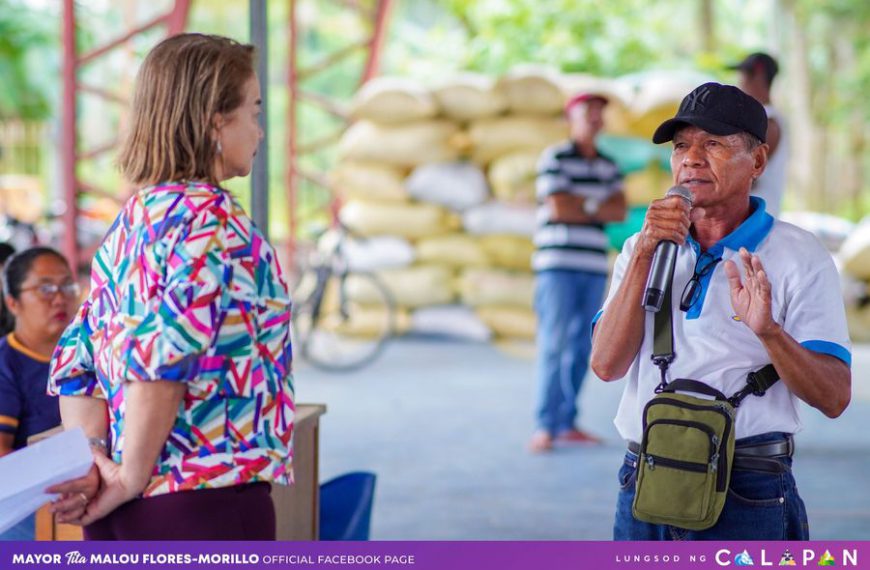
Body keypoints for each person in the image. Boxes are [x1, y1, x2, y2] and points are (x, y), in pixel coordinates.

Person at [46, 33, 294, 541]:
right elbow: (163, 359)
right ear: (213, 122)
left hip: (124, 511)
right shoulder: (212, 221)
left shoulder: (133, 220)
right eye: (253, 110)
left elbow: (76, 360)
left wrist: (99, 461)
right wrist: (131, 476)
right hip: (204, 505)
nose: (260, 130)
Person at [590, 82, 851, 540]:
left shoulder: (798, 255)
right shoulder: (641, 247)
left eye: (713, 144)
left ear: (758, 162)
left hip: (746, 484)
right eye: (681, 146)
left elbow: (834, 397)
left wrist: (769, 332)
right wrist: (647, 254)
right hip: (644, 477)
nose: (691, 158)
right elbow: (606, 365)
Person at [529, 92, 627, 453]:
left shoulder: (609, 165)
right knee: (554, 344)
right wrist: (595, 205)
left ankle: (567, 422)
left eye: (600, 113)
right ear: (572, 117)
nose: (595, 119)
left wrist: (579, 204)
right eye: (589, 112)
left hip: (593, 266)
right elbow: (557, 207)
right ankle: (545, 424)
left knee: (583, 345)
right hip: (556, 267)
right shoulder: (555, 157)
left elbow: (618, 212)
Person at [0, 247, 79, 539]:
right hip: (27, 513)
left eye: (67, 286)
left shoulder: (86, 356)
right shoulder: (6, 363)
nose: (60, 298)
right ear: (13, 302)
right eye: (45, 288)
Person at [730, 52, 789, 216]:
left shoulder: (768, 122)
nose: (740, 84)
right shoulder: (761, 119)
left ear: (758, 77)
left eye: (743, 78)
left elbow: (743, 174)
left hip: (757, 217)